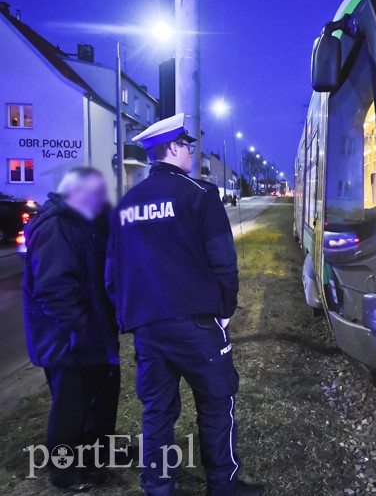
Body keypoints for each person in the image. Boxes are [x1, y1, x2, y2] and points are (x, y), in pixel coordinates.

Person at [105, 114, 263, 496]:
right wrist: (226, 309)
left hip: (148, 326)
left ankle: (157, 487)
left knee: (157, 411)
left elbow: (113, 274)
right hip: (196, 324)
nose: (192, 151)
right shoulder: (199, 194)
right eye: (187, 145)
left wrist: (130, 316)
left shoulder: (125, 205)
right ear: (172, 148)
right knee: (216, 401)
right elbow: (223, 260)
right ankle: (222, 486)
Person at [23, 167, 119, 493]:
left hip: (91, 335)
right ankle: (64, 473)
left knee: (98, 403)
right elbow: (53, 290)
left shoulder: (82, 222)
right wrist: (81, 329)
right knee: (70, 410)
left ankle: (93, 461)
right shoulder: (55, 226)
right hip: (68, 342)